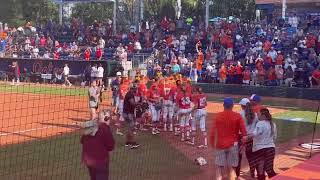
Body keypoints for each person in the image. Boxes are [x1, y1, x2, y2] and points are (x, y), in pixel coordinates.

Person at [210, 98, 247, 180]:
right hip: (233, 145)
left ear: (223, 105)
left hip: (220, 145)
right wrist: (243, 145)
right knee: (232, 169)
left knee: (219, 169)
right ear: (232, 106)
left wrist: (212, 144)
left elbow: (212, 132)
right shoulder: (238, 116)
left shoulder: (218, 116)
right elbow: (244, 134)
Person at [81, 111, 115, 180]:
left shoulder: (91, 126)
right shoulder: (105, 128)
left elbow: (82, 140)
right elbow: (111, 146)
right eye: (109, 118)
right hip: (100, 162)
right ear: (106, 118)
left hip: (89, 162)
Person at [252, 108, 277, 180]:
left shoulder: (260, 123)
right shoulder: (273, 124)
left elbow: (255, 134)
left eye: (259, 114)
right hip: (271, 149)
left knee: (260, 171)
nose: (257, 115)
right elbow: (274, 137)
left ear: (263, 115)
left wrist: (247, 137)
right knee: (270, 170)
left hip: (260, 150)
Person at [239, 98, 258, 178]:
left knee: (240, 156)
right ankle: (254, 172)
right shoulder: (255, 114)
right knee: (252, 155)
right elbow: (257, 126)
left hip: (243, 137)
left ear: (243, 105)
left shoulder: (240, 114)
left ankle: (237, 173)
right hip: (252, 137)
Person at [123, 84, 140, 149]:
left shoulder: (129, 93)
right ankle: (132, 143)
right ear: (133, 89)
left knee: (129, 128)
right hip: (128, 114)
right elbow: (133, 103)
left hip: (126, 113)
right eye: (135, 89)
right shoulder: (130, 94)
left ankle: (127, 142)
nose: (136, 90)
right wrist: (139, 104)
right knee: (131, 128)